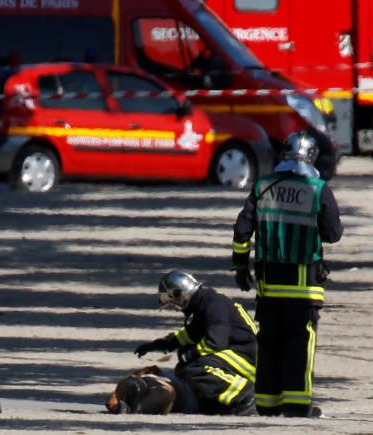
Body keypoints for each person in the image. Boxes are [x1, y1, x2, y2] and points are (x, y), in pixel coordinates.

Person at [232, 131, 343, 418]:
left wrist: (241, 265)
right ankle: (297, 406)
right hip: (304, 286)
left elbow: (242, 230)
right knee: (300, 344)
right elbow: (332, 235)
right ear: (312, 157)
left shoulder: (262, 186)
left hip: (268, 286)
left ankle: (267, 404)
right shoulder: (318, 189)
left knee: (269, 343)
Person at [135, 270, 258, 416]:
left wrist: (191, 354)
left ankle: (246, 395)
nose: (177, 309)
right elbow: (189, 334)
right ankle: (223, 402)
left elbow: (216, 342)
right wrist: (158, 344)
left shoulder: (212, 303)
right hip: (238, 353)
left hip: (246, 357)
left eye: (174, 303)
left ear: (179, 294)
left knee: (194, 368)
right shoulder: (204, 303)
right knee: (184, 368)